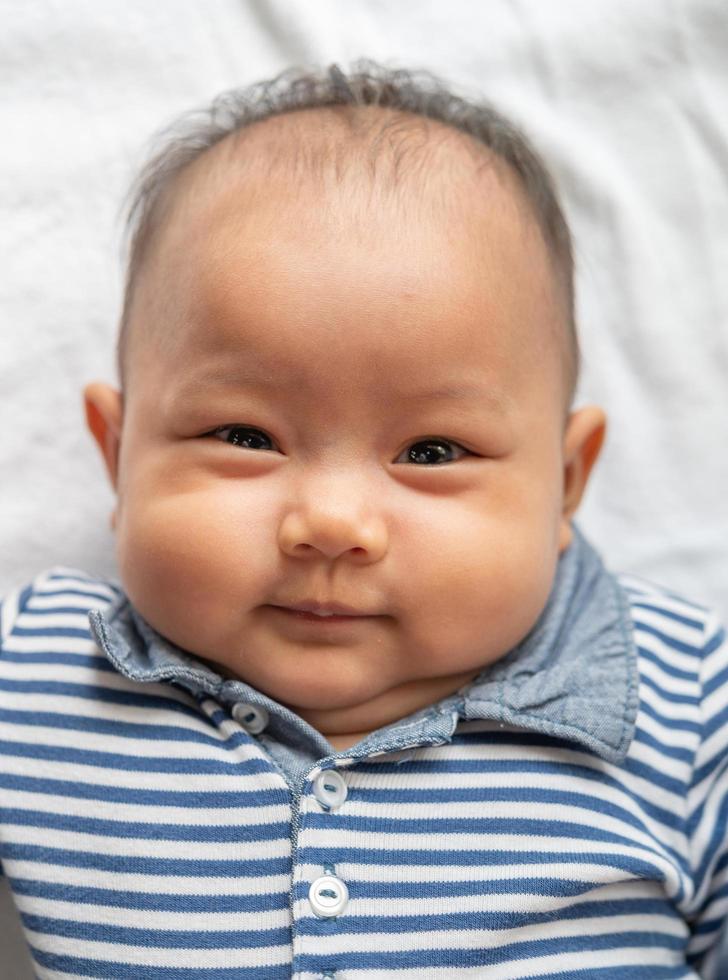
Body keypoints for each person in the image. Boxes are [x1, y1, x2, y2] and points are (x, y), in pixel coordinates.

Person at [1, 61, 726, 979]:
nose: (333, 523)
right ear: (116, 456)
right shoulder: (37, 672)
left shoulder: (691, 705)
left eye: (430, 452)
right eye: (245, 435)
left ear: (566, 483)